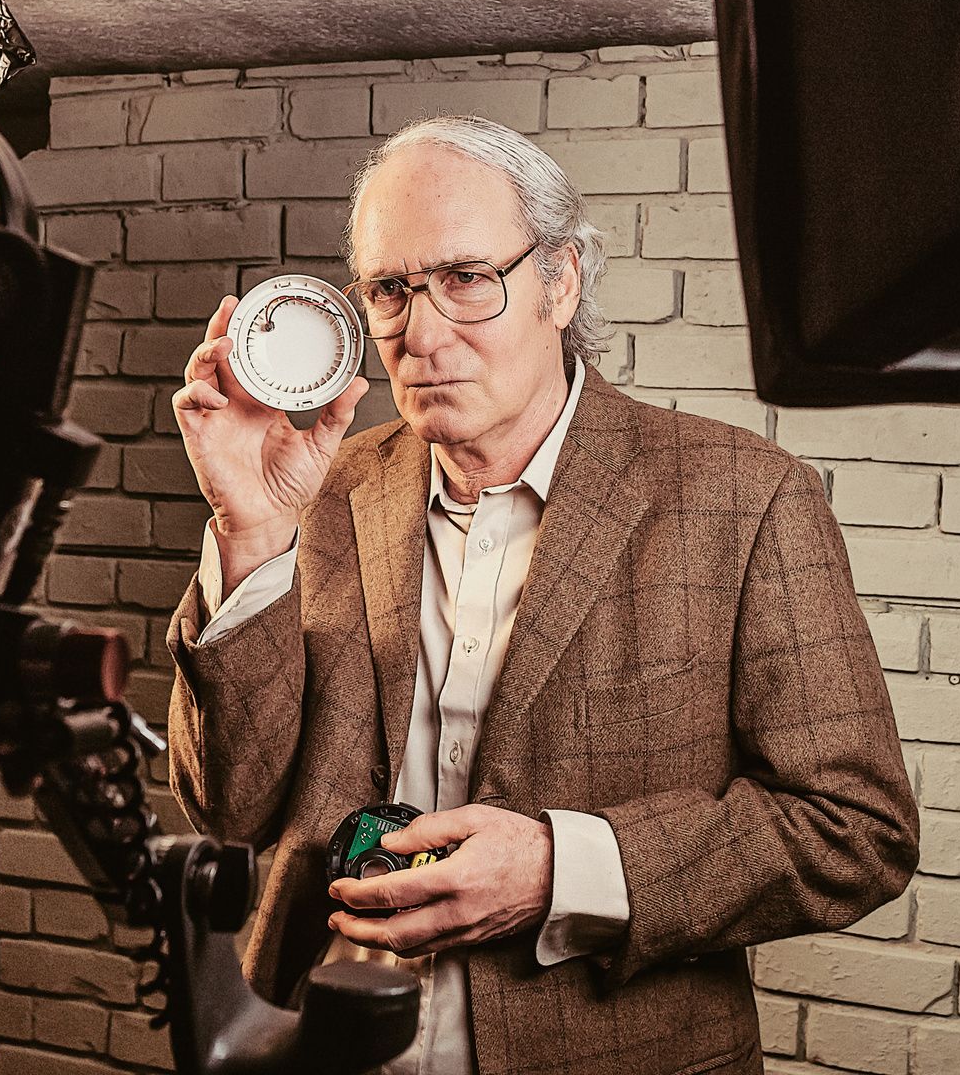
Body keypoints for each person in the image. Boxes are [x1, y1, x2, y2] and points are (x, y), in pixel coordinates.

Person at [166, 115, 918, 1075]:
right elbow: (228, 810)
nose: (422, 334)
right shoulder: (315, 491)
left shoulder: (745, 498)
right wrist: (250, 531)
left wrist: (563, 871)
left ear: (560, 282)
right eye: (391, 290)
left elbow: (857, 830)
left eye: (466, 278)